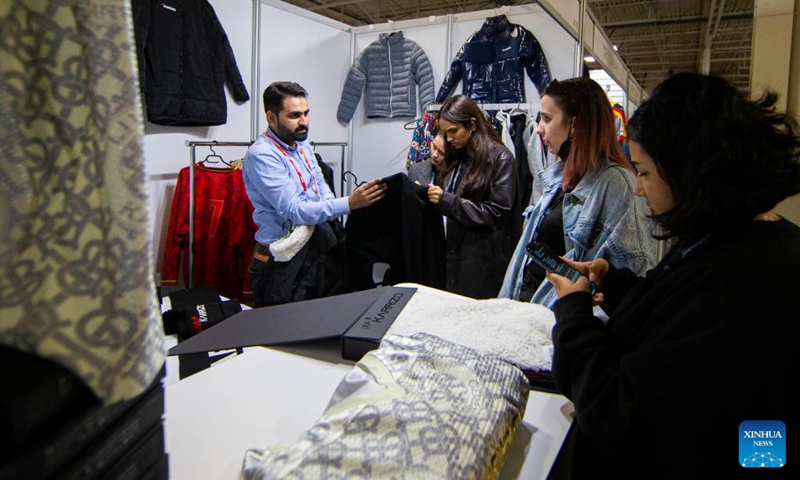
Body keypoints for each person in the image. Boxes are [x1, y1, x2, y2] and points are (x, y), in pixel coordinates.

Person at [546, 72, 800, 479]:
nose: (639, 189)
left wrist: (574, 312)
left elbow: (622, 415)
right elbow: (677, 312)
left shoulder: (741, 283)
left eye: (644, 172)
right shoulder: (732, 239)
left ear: (687, 170)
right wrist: (615, 283)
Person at [499, 77, 657, 309]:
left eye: (547, 118)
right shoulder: (560, 177)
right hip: (532, 309)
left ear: (575, 125)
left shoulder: (617, 184)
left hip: (560, 317)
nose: (539, 128)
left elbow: (631, 274)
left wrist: (577, 316)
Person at [243, 81, 386, 307]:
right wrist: (349, 203)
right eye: (294, 115)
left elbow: (320, 184)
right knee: (286, 325)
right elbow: (294, 210)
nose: (304, 122)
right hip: (282, 261)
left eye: (306, 113)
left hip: (315, 251)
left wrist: (331, 205)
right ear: (271, 118)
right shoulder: (262, 156)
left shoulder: (302, 145)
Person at [426, 94, 517, 299]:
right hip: (453, 257)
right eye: (446, 132)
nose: (449, 138)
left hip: (481, 264)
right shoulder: (458, 156)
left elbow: (496, 214)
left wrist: (446, 201)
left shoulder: (501, 158)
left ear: (472, 124)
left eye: (453, 131)